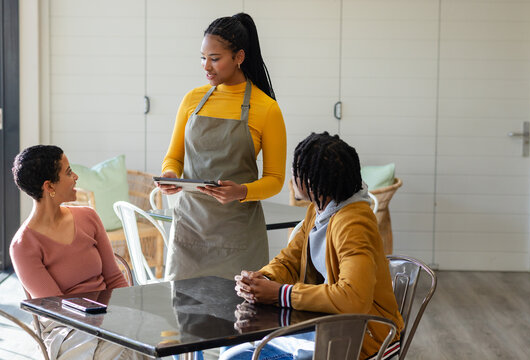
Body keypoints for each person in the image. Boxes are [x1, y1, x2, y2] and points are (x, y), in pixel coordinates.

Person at [223, 132, 404, 360]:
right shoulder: (319, 209)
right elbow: (291, 258)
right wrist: (263, 280)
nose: (292, 175)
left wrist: (280, 294)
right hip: (330, 325)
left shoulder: (354, 223)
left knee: (234, 356)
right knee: (231, 346)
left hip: (365, 337)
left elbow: (353, 297)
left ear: (314, 181)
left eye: (296, 170)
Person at [158, 13, 286, 281]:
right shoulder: (192, 100)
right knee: (185, 317)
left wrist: (242, 191)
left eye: (215, 59)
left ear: (239, 57)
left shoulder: (266, 109)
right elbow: (173, 158)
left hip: (238, 239)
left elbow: (275, 180)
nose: (207, 66)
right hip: (190, 233)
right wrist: (170, 174)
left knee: (241, 320)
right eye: (203, 58)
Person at [10, 145, 150, 360]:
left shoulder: (88, 217)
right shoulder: (23, 245)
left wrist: (129, 316)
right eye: (68, 172)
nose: (75, 177)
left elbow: (114, 279)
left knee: (137, 339)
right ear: (49, 186)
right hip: (65, 328)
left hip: (109, 316)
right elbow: (57, 308)